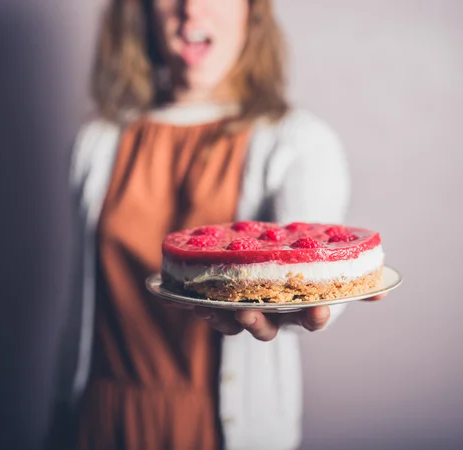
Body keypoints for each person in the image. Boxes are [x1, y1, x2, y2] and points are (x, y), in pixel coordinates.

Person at [49, 0, 384, 449]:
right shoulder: (98, 142)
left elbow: (311, 275)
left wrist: (286, 314)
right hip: (104, 416)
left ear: (253, 11)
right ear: (144, 11)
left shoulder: (298, 141)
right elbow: (81, 307)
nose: (191, 11)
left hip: (221, 426)